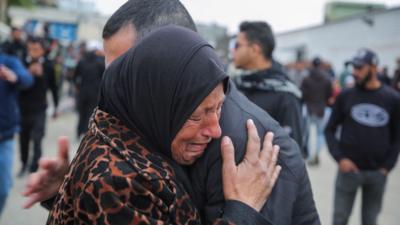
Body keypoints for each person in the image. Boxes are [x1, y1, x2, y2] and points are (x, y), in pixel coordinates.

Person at [24, 1, 320, 224]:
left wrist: (242, 212)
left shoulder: (246, 150)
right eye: (111, 70)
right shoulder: (134, 126)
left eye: (130, 68)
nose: (117, 84)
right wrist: (71, 193)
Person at [325, 48, 400, 225]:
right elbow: (329, 129)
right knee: (340, 218)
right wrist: (340, 158)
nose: (354, 72)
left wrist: (387, 167)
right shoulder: (346, 95)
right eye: (354, 67)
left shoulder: (392, 99)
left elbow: (397, 136)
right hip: (348, 171)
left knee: (370, 220)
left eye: (359, 68)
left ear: (373, 68)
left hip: (377, 173)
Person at [232, 21, 305, 155]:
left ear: (255, 49)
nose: (232, 50)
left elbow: (292, 154)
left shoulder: (285, 95)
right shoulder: (236, 85)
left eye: (237, 45)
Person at [18, 37, 59, 176]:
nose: (32, 52)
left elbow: (53, 88)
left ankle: (34, 167)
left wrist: (56, 107)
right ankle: (24, 164)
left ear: (42, 50)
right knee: (23, 139)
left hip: (40, 108)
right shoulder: (22, 63)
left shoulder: (48, 65)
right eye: (30, 49)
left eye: (36, 49)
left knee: (37, 138)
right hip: (23, 109)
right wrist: (27, 74)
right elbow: (16, 85)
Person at [0, 53, 33, 216]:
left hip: (4, 138)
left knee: (3, 189)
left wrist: (14, 76)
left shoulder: (8, 61)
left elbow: (27, 78)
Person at [301, 57, 332, 165]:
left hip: (309, 108)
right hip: (321, 108)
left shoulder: (307, 78)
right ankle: (316, 153)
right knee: (320, 134)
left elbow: (302, 94)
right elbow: (329, 94)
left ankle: (310, 156)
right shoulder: (327, 79)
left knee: (308, 134)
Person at [73, 40, 105, 139]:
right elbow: (103, 78)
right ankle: (87, 132)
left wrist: (77, 87)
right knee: (91, 112)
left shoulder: (82, 61)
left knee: (81, 112)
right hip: (94, 92)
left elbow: (75, 76)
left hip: (82, 91)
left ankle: (79, 131)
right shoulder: (100, 62)